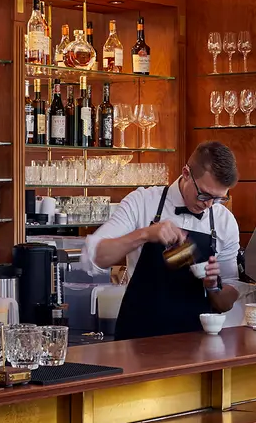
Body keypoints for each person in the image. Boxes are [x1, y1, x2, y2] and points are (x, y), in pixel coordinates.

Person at [86, 141, 242, 339]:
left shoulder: (224, 221)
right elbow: (97, 255)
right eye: (204, 194)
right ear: (186, 173)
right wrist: (145, 234)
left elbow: (226, 301)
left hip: (196, 343)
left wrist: (213, 287)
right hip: (138, 339)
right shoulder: (142, 201)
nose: (209, 204)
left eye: (218, 198)